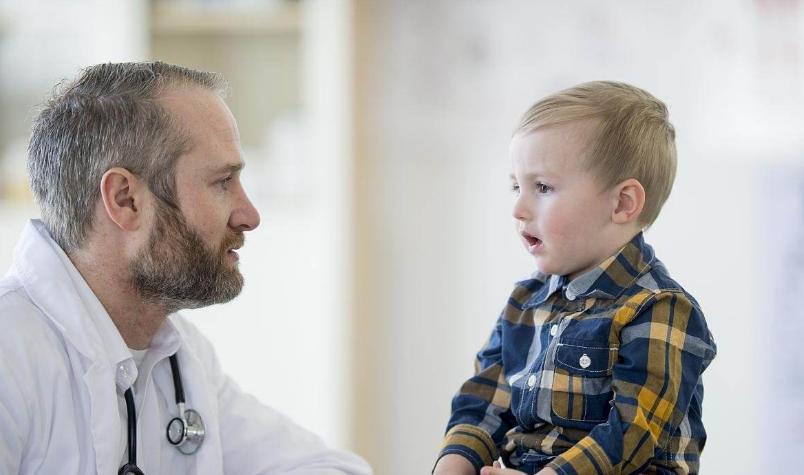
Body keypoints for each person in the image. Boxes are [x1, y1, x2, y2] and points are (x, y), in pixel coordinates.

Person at [0, 61, 372, 474]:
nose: (249, 215)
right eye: (222, 182)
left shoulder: (179, 355)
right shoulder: (11, 357)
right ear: (126, 199)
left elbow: (331, 468)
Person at [432, 82, 716, 475]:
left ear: (622, 203)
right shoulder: (525, 301)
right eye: (516, 185)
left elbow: (631, 434)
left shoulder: (660, 308)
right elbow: (486, 397)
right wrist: (454, 463)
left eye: (543, 187)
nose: (518, 208)